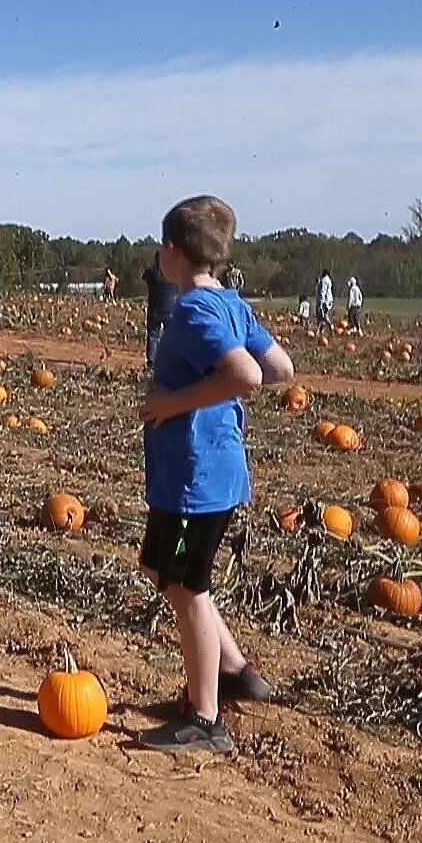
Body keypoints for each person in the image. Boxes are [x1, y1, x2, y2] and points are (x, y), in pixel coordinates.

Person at [135, 194, 294, 754]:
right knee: (162, 567)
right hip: (213, 470)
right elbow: (280, 367)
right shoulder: (232, 304)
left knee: (187, 587)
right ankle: (233, 670)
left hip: (194, 476)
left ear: (171, 252)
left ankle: (205, 718)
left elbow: (249, 376)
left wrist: (173, 404)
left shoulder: (194, 311)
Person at [142, 252, 177, 367]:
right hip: (170, 309)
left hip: (154, 309)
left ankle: (151, 361)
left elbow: (144, 277)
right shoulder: (172, 273)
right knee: (171, 336)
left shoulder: (151, 272)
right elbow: (177, 287)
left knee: (153, 335)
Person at [315, 269, 335, 333]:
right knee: (324, 316)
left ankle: (329, 327)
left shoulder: (324, 280)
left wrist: (321, 301)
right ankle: (322, 330)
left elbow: (322, 291)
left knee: (322, 316)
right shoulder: (329, 280)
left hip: (324, 301)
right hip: (329, 300)